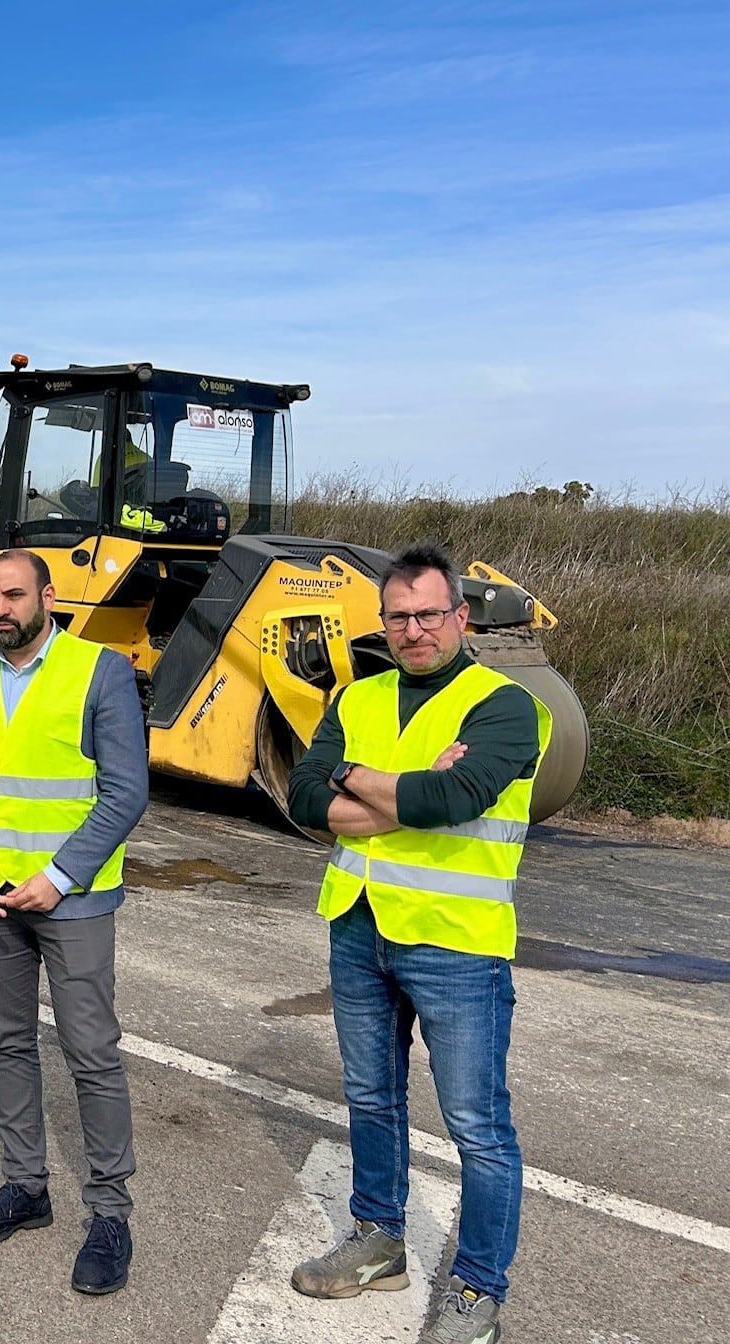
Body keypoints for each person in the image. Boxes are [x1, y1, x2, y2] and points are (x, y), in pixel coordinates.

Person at [286, 543, 549, 1344]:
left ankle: (475, 1290)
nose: (413, 629)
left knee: (476, 1125)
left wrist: (354, 779)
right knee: (370, 1098)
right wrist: (402, 788)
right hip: (358, 926)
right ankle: (377, 1242)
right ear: (383, 624)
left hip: (455, 944)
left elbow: (456, 795)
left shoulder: (503, 706)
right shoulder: (356, 699)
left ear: (460, 617)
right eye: (397, 616)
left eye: (428, 613)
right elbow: (300, 797)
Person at [0, 548, 147, 1296]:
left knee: (91, 1054)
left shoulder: (98, 671)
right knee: (8, 1044)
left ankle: (110, 1214)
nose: (0, 610)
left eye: (13, 595)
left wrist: (58, 877)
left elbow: (125, 792)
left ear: (47, 596)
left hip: (71, 901)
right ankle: (25, 1189)